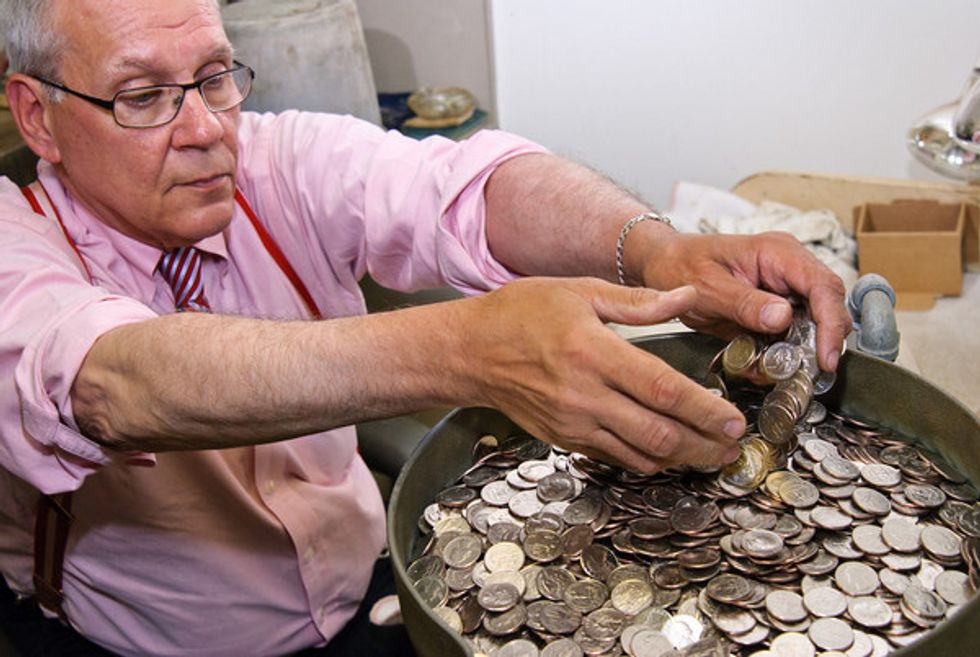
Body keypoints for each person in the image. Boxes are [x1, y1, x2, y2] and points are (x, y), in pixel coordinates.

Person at [0, 0, 851, 655]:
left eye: (216, 76)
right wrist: (466, 349)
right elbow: (115, 379)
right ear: (36, 115)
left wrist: (662, 250)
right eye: (143, 97)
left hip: (374, 587)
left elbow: (464, 184)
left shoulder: (272, 160)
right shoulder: (14, 241)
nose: (205, 130)